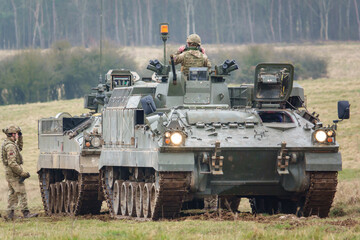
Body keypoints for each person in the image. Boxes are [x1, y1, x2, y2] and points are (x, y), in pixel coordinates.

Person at [1, 125, 37, 220]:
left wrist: (20, 137)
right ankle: (25, 213)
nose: (18, 135)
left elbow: (19, 148)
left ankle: (10, 215)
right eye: (17, 134)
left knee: (13, 193)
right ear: (13, 134)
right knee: (21, 192)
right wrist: (21, 173)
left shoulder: (10, 144)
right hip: (13, 173)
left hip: (10, 173)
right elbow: (12, 163)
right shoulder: (10, 146)